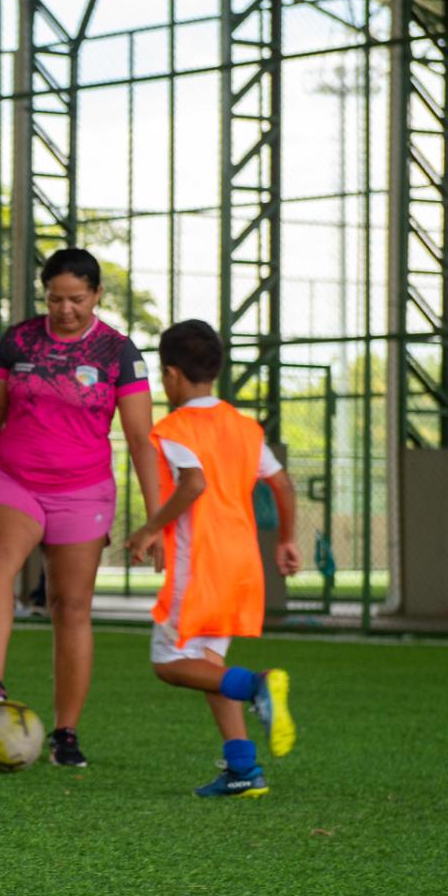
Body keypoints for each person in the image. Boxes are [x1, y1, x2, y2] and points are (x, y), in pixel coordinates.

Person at [0, 248, 163, 767]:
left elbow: (140, 439)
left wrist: (157, 520)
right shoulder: (19, 340)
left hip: (83, 490)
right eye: (54, 298)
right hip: (15, 479)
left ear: (96, 295)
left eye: (76, 299)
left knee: (70, 607)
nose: (64, 309)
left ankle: (66, 732)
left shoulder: (118, 352)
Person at [125, 320, 299, 797]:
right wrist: (286, 540)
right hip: (242, 566)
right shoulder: (244, 428)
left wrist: (149, 528)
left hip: (198, 564)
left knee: (167, 663)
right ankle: (244, 769)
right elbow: (282, 484)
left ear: (171, 375)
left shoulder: (176, 427)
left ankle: (258, 684)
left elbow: (194, 484)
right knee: (209, 668)